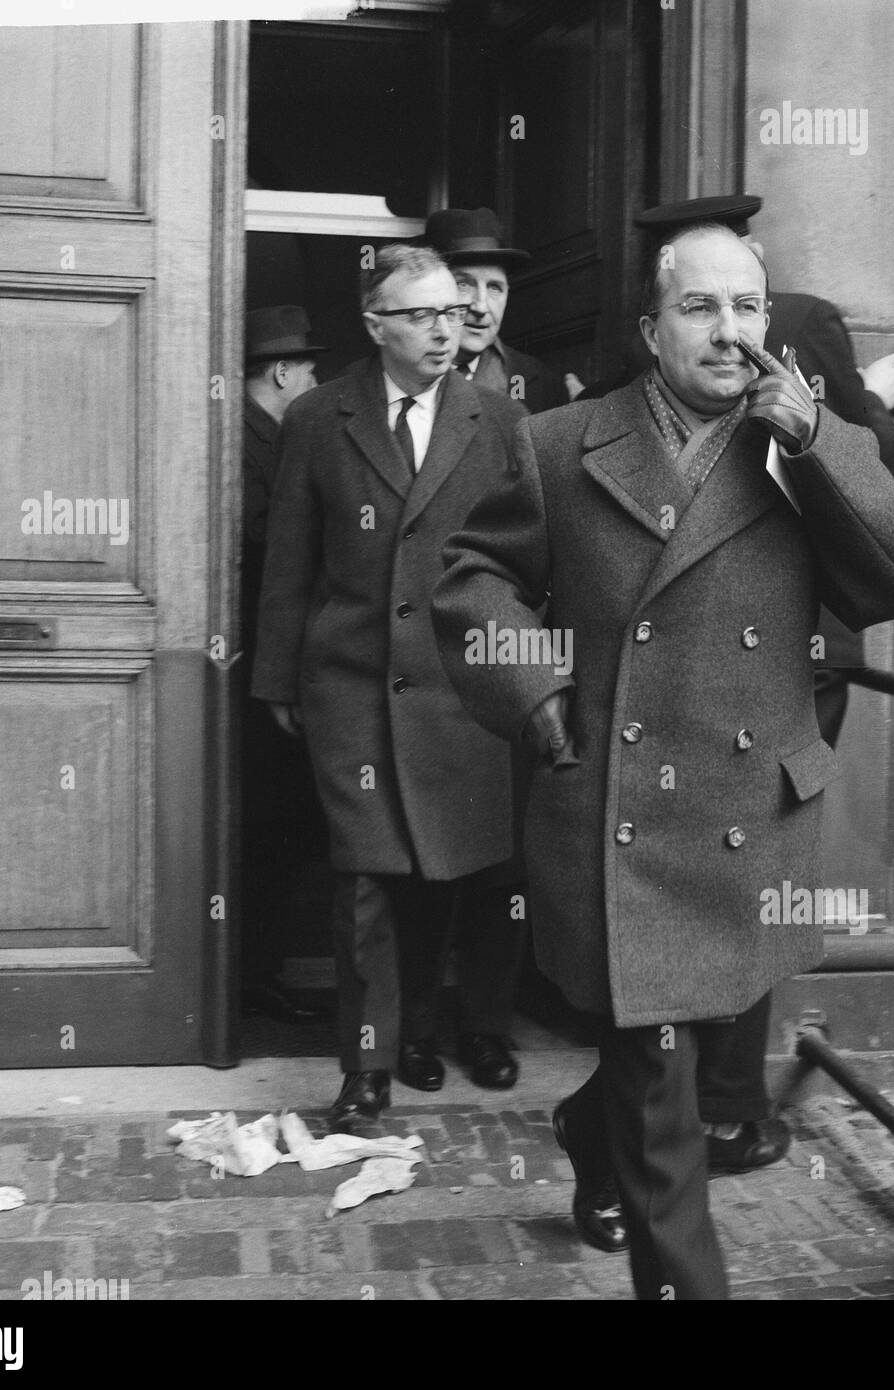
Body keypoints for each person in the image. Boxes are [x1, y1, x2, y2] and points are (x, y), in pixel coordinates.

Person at [432, 224, 894, 1298]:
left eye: (746, 309)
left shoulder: (799, 441)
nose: (727, 332)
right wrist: (535, 691)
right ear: (649, 328)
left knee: (677, 1054)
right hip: (620, 813)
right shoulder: (562, 442)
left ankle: (586, 1122)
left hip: (747, 808)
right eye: (699, 309)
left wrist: (819, 443)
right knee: (668, 1110)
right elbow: (474, 581)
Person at [252, 246, 528, 1129]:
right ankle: (367, 1070)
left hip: (463, 692)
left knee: (455, 873)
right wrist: (277, 678)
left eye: (452, 312)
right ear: (376, 325)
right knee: (366, 881)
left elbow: (525, 565)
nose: (446, 328)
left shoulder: (497, 420)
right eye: (422, 315)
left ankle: (451, 1031)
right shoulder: (318, 418)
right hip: (353, 691)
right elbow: (290, 560)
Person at [241, 306, 328, 1026]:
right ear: (280, 373)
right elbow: (266, 548)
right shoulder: (252, 444)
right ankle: (252, 975)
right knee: (270, 827)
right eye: (309, 370)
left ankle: (257, 971)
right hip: (256, 667)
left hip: (266, 662)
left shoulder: (262, 436)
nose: (316, 381)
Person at [424, 207, 569, 415]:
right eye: (463, 285)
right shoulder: (396, 373)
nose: (481, 307)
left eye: (494, 288)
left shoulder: (541, 383)